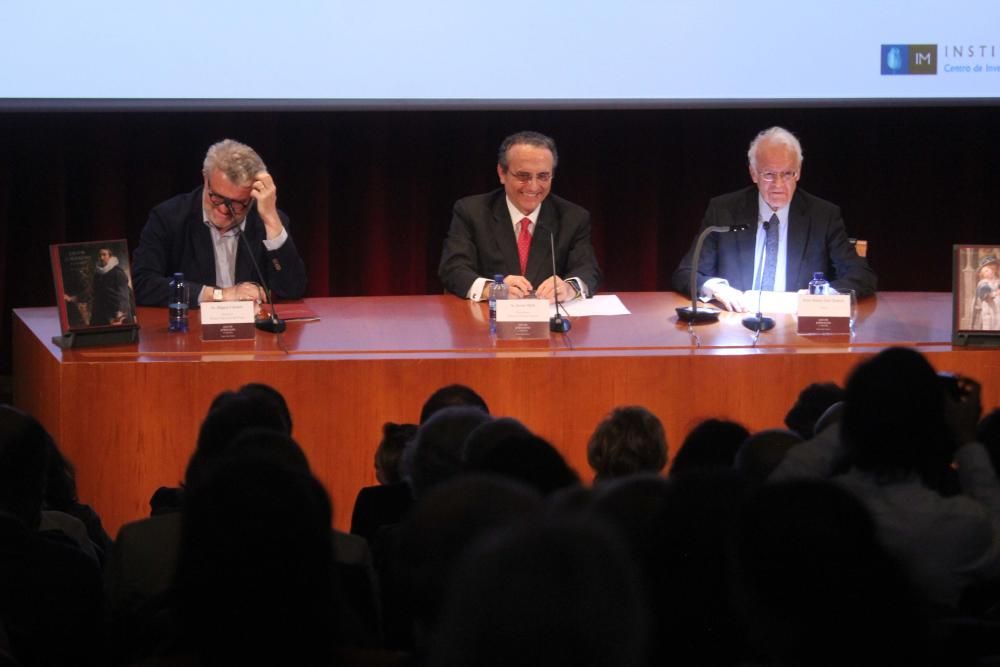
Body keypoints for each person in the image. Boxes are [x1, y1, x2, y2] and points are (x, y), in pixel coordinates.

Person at [672, 126, 876, 312]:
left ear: (798, 173)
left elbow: (862, 276)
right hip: (736, 322)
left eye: (787, 174)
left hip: (798, 326)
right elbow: (686, 272)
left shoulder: (823, 215)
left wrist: (821, 296)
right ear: (753, 173)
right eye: (769, 174)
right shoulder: (724, 210)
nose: (778, 184)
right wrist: (718, 289)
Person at [132, 138, 307, 307]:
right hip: (192, 329)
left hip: (254, 332)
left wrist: (271, 220)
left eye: (238, 203)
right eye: (216, 197)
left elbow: (292, 290)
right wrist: (217, 294)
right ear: (205, 178)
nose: (224, 209)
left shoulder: (268, 222)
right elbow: (143, 284)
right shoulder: (169, 218)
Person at [438, 130, 600, 303]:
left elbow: (588, 269)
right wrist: (492, 289)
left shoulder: (573, 217)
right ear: (502, 173)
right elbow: (453, 269)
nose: (533, 186)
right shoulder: (472, 212)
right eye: (523, 176)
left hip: (548, 321)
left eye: (543, 176)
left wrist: (569, 288)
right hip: (487, 319)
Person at [90, 245, 133, 325]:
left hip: (116, 315)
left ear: (110, 256)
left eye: (104, 254)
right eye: (100, 255)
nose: (101, 258)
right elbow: (93, 291)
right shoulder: (98, 274)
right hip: (100, 315)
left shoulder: (118, 272)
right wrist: (72, 298)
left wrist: (120, 314)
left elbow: (124, 296)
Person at [972, 255, 1000, 330]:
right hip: (988, 308)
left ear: (994, 270)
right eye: (984, 272)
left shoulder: (998, 281)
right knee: (988, 323)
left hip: (998, 308)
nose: (987, 273)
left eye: (988, 270)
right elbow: (985, 294)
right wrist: (995, 293)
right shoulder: (983, 283)